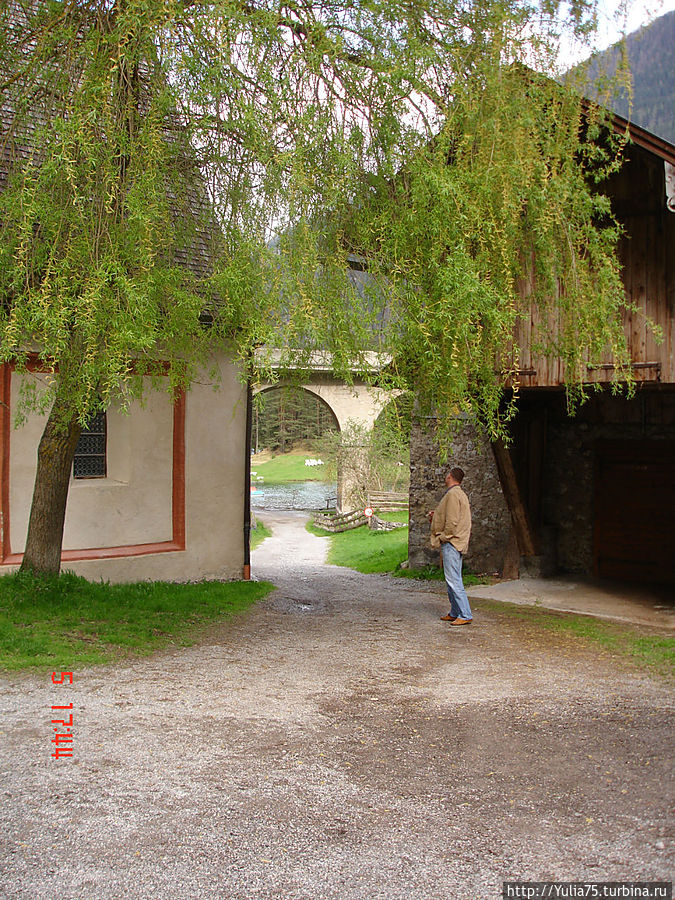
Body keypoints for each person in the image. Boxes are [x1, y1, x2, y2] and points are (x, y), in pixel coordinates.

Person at [427, 466, 473, 626]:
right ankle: (455, 612)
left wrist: (444, 536)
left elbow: (452, 520)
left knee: (454, 580)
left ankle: (465, 614)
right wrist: (436, 516)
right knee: (451, 579)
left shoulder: (453, 494)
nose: (445, 476)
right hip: (454, 541)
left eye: (447, 474)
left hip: (452, 542)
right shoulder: (458, 494)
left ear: (450, 477)